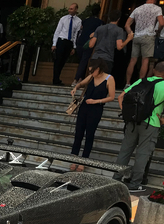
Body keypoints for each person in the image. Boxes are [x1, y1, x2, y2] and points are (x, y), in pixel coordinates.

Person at [113, 61, 164, 192]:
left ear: (154, 70)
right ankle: (134, 184)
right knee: (142, 154)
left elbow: (121, 97)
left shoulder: (141, 81)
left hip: (132, 122)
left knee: (125, 151)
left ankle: (116, 178)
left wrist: (127, 114)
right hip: (151, 123)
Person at [69, 59, 116, 170]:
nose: (91, 73)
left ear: (98, 69)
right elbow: (81, 84)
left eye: (92, 71)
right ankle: (73, 158)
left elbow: (111, 97)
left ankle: (83, 161)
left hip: (96, 108)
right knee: (78, 133)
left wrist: (96, 101)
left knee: (89, 134)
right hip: (84, 107)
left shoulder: (109, 78)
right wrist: (75, 88)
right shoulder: (91, 77)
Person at [124, 0, 164, 88]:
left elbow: (127, 25)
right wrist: (157, 32)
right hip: (149, 36)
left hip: (137, 36)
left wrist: (131, 33)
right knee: (145, 60)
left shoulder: (138, 9)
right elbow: (161, 23)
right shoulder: (157, 8)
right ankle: (140, 83)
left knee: (133, 60)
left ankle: (127, 83)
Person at [89, 10, 133, 75]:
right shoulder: (119, 30)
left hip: (95, 57)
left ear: (109, 18)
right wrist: (128, 39)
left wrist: (92, 36)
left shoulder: (99, 28)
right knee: (103, 81)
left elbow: (91, 45)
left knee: (92, 78)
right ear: (118, 19)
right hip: (107, 59)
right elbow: (119, 47)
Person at [73, 3, 103, 86]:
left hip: (80, 42)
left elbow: (80, 30)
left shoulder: (85, 21)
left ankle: (80, 78)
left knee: (81, 61)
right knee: (84, 61)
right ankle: (76, 79)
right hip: (89, 43)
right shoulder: (99, 22)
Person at [52, 3, 81, 86]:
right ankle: (55, 79)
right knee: (58, 60)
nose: (70, 10)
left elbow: (76, 35)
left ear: (76, 10)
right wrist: (54, 44)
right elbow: (57, 31)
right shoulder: (63, 19)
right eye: (69, 8)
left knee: (63, 61)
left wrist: (74, 47)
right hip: (61, 40)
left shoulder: (78, 21)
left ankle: (57, 78)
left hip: (69, 42)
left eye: (72, 9)